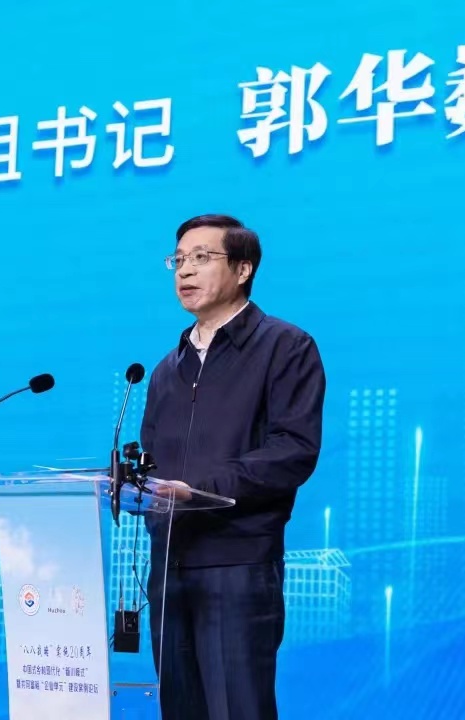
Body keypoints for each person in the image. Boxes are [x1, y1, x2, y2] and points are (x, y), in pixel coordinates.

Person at [139, 214, 326, 720]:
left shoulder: (285, 347)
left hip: (237, 565)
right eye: (178, 260)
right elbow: (151, 458)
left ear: (244, 269)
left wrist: (197, 490)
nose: (185, 270)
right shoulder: (166, 369)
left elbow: (293, 450)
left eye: (201, 258)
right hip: (169, 567)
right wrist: (145, 493)